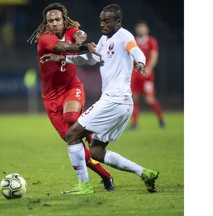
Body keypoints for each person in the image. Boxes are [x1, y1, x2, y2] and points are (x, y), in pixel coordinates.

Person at [40, 4, 159, 195]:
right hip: (122, 105)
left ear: (118, 21)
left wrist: (141, 62)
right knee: (96, 152)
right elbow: (89, 59)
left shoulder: (125, 36)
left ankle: (84, 186)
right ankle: (145, 173)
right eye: (101, 20)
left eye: (107, 21)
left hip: (114, 100)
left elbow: (135, 50)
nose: (102, 24)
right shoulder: (104, 40)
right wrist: (62, 59)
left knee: (72, 135)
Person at [27, 2, 114, 191]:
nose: (55, 23)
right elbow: (64, 46)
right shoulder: (45, 39)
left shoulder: (71, 28)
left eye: (58, 19)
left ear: (63, 19)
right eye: (50, 21)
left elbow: (76, 34)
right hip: (51, 98)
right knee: (74, 143)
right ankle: (107, 177)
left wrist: (80, 35)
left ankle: (94, 138)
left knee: (72, 117)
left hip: (71, 87)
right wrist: (84, 46)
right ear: (46, 23)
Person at [130, 20, 165, 129]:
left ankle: (161, 120)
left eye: (143, 27)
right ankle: (135, 124)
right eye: (139, 27)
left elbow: (154, 56)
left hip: (146, 75)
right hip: (135, 75)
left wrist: (149, 68)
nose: (141, 29)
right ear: (136, 29)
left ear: (147, 29)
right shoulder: (133, 41)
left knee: (149, 98)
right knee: (134, 98)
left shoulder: (151, 41)